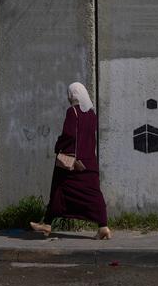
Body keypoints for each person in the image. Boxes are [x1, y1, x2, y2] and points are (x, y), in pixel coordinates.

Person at [30, 82, 112, 240]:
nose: (68, 97)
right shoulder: (91, 114)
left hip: (73, 163)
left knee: (59, 189)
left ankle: (47, 223)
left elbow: (69, 134)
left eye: (70, 94)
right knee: (92, 193)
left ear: (73, 95)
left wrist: (58, 145)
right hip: (89, 161)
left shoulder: (72, 112)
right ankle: (103, 227)